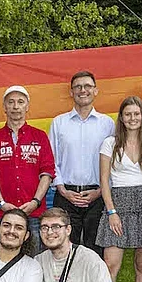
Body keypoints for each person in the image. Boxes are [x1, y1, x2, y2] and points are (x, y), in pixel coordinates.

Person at [96, 96, 142, 282]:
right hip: (118, 204)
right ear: (121, 118)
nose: (132, 118)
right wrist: (111, 212)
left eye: (137, 114)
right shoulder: (110, 143)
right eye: (128, 114)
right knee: (110, 264)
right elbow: (104, 181)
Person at [0, 85, 55, 254]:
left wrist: (35, 202)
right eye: (11, 102)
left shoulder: (40, 136)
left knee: (34, 262)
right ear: (4, 107)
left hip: (33, 214)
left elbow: (48, 172)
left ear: (27, 106)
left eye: (20, 102)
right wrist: (2, 203)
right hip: (0, 214)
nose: (15, 106)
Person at [49, 71, 115, 257]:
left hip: (98, 194)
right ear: (71, 92)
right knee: (63, 249)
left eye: (87, 86)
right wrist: (62, 190)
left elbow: (112, 163)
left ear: (96, 91)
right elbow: (51, 160)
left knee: (96, 250)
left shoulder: (107, 124)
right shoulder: (59, 123)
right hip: (66, 195)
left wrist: (101, 191)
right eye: (78, 87)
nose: (82, 90)